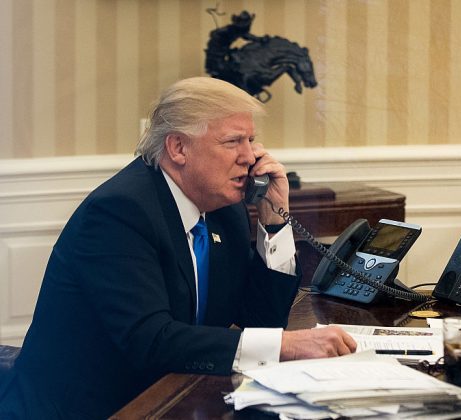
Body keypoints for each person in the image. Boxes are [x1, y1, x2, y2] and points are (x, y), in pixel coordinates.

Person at [0, 77, 356, 419]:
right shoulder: (120, 212)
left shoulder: (223, 209)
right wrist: (286, 346)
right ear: (178, 147)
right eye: (233, 142)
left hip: (167, 394)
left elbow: (262, 321)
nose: (250, 157)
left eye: (251, 140)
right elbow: (152, 341)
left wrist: (275, 222)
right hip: (87, 408)